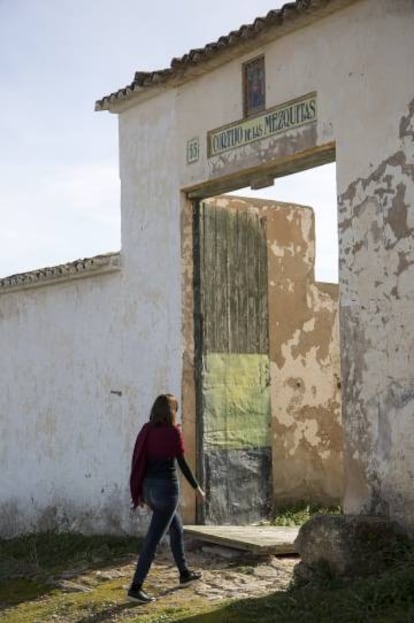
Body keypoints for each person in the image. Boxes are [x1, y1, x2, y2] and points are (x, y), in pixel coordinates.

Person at [128, 393, 205, 603]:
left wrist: (140, 491)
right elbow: (182, 463)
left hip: (149, 489)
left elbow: (138, 458)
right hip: (166, 491)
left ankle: (184, 573)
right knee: (152, 540)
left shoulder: (147, 430)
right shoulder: (173, 433)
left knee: (176, 528)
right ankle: (136, 587)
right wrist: (197, 488)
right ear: (171, 412)